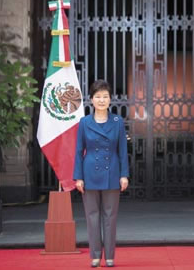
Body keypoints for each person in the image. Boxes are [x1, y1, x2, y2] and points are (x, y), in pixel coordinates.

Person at [73, 80, 129, 268]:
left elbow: (122, 150)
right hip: (89, 174)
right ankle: (95, 255)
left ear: (110, 99)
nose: (102, 100)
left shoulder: (117, 121)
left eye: (105, 96)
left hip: (112, 172)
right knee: (92, 216)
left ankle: (110, 256)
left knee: (110, 217)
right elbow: (79, 151)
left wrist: (124, 175)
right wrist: (78, 177)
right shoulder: (84, 122)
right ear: (91, 100)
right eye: (98, 97)